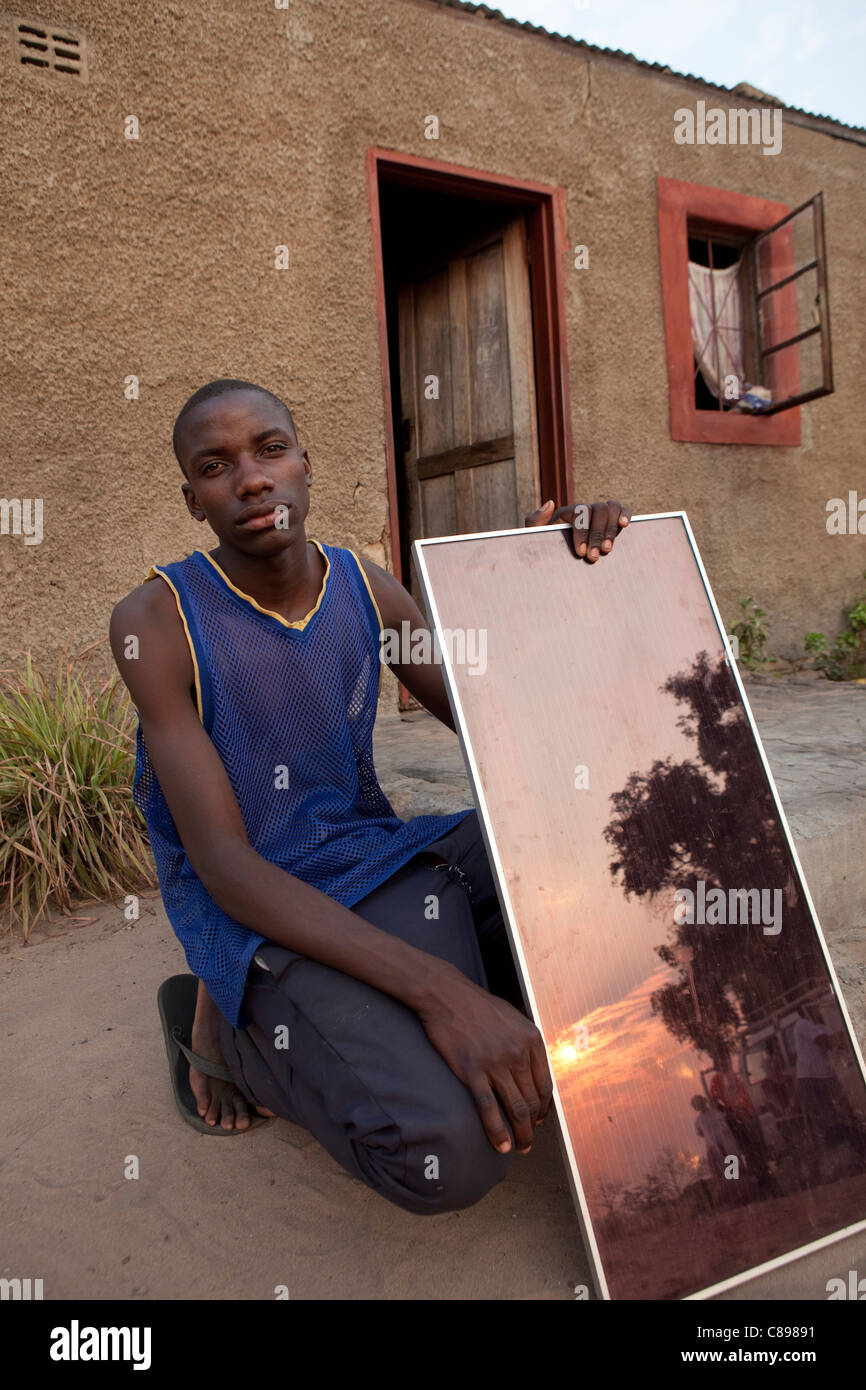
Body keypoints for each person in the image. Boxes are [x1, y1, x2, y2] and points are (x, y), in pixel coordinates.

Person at [109, 377, 632, 1215]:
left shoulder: (364, 587)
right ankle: (233, 1034)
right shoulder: (157, 620)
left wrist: (548, 579)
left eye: (270, 450)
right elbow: (226, 867)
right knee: (451, 1157)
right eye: (217, 466)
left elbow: (502, 729)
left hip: (370, 863)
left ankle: (367, 1009)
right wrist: (442, 992)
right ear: (192, 500)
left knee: (595, 846)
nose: (250, 479)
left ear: (306, 465)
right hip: (253, 899)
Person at [793, 1002, 866, 1183]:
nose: (816, 1008)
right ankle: (841, 1163)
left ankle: (852, 1157)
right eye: (812, 1006)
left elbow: (836, 1044)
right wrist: (847, 1035)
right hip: (810, 1080)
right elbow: (826, 1042)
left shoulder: (821, 1027)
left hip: (825, 1078)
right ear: (804, 1009)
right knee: (828, 1122)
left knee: (840, 1117)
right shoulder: (802, 1025)